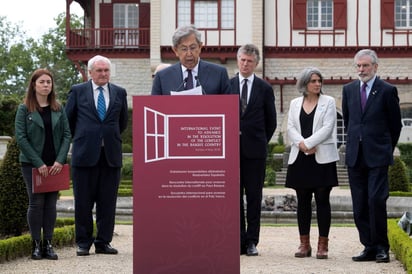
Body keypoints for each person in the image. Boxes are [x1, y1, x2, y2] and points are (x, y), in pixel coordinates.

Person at [342, 49, 402, 263]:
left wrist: (385, 147)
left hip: (378, 156)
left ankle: (381, 247)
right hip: (355, 157)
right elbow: (349, 122)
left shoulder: (387, 90)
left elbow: (395, 125)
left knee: (376, 200)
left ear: (375, 67)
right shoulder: (348, 90)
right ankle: (368, 246)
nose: (361, 70)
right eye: (358, 66)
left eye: (365, 66)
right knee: (359, 205)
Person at [65, 55, 128, 256]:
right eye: (99, 70)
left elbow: (122, 123)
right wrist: (86, 137)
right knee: (83, 202)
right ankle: (83, 242)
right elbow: (68, 121)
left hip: (110, 155)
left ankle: (103, 242)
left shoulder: (119, 92)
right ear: (90, 72)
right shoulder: (77, 91)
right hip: (84, 155)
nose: (103, 74)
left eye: (106, 70)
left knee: (107, 202)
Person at [15, 68, 71, 260]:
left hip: (55, 164)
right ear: (34, 85)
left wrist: (60, 160)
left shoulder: (58, 107)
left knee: (51, 205)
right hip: (32, 164)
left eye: (49, 82)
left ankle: (48, 244)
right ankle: (36, 245)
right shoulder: (24, 109)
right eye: (42, 82)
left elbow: (66, 135)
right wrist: (38, 163)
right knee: (36, 203)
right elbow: (21, 138)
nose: (46, 85)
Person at [285, 67, 339, 260]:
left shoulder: (329, 102)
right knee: (303, 202)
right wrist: (302, 146)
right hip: (300, 158)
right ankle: (304, 244)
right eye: (314, 81)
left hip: (322, 158)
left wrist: (308, 144)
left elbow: (328, 127)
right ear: (305, 83)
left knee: (323, 201)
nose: (318, 84)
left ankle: (322, 246)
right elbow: (290, 127)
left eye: (319, 81)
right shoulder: (294, 103)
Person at [230, 44, 277, 256]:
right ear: (237, 60)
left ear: (256, 63)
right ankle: (237, 239)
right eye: (242, 59)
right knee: (233, 197)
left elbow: (272, 122)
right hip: (230, 151)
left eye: (249, 61)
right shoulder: (228, 85)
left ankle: (252, 241)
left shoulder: (265, 88)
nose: (245, 64)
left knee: (254, 196)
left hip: (255, 152)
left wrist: (258, 141)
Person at [151, 25, 231, 95]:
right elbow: (153, 107)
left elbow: (229, 107)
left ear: (200, 47)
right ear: (175, 50)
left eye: (193, 48)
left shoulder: (219, 74)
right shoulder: (162, 77)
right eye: (184, 49)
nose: (189, 53)